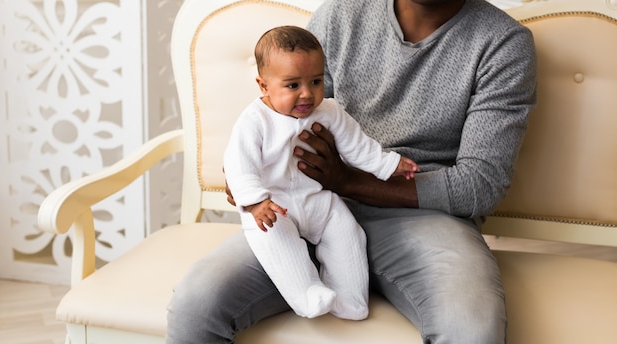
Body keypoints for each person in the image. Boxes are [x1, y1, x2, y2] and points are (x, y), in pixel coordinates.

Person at [166, 0, 537, 343]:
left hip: (425, 220)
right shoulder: (344, 14)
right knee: (197, 304)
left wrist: (349, 181)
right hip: (307, 204)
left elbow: (480, 186)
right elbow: (282, 112)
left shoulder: (502, 43)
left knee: (472, 330)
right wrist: (248, 179)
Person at [223, 25, 419, 321]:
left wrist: (389, 165)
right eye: (292, 86)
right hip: (275, 205)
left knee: (348, 233)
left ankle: (350, 298)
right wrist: (254, 202)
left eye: (315, 81)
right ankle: (307, 294)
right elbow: (239, 164)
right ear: (263, 86)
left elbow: (356, 145)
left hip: (318, 200)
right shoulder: (254, 122)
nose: (306, 94)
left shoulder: (328, 111)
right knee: (276, 242)